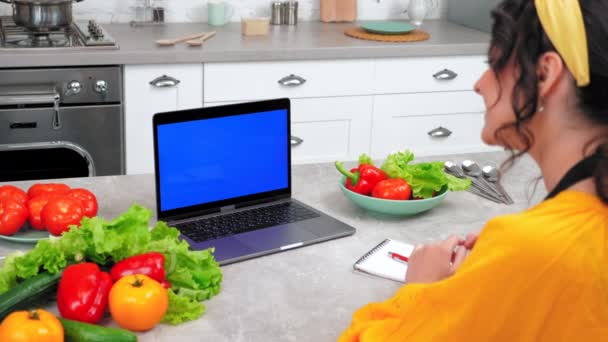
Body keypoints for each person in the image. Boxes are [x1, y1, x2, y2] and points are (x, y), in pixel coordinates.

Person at [339, 0, 608, 340]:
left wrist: (421, 286)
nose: (479, 84)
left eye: (494, 64)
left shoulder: (534, 248)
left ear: (545, 74)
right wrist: (499, 270)